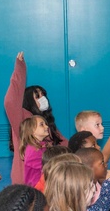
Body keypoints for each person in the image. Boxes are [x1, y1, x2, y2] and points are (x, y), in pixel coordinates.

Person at [5, 52, 65, 185]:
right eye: (37, 96)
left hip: (45, 180)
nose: (43, 98)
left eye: (43, 95)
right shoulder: (22, 119)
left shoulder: (46, 122)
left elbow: (63, 142)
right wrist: (20, 69)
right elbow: (10, 101)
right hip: (27, 183)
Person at [19, 115, 51, 187]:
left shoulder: (43, 145)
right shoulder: (32, 150)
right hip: (36, 187)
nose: (47, 127)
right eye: (42, 125)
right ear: (32, 131)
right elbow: (46, 167)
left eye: (46, 124)